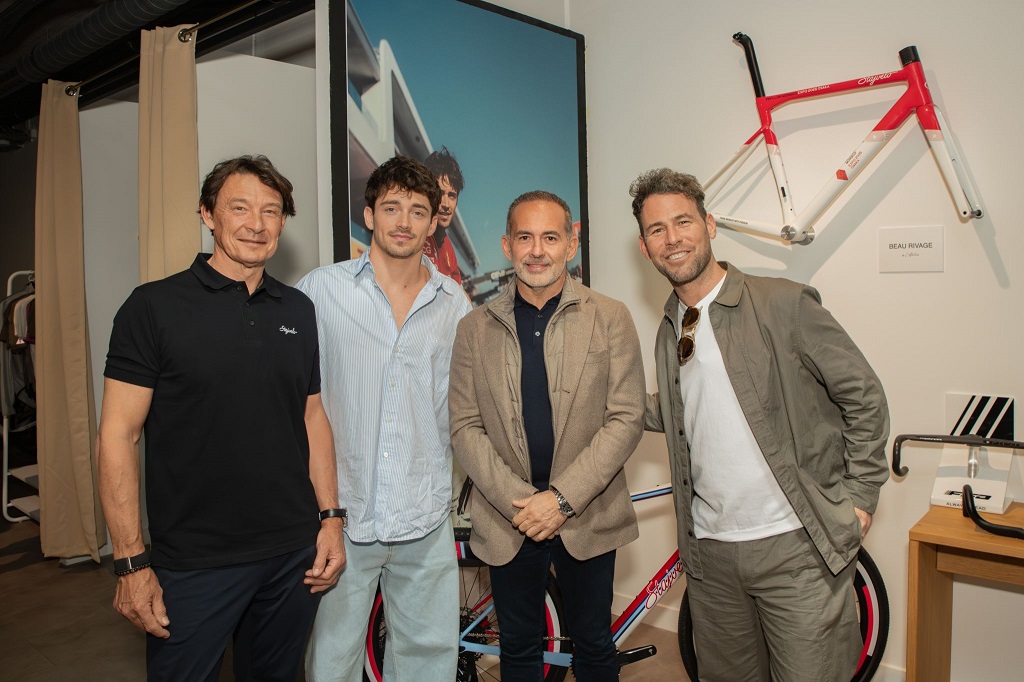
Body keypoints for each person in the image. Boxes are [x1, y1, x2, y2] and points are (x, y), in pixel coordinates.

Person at [631, 168, 890, 682]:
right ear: (645, 247)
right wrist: (600, 402)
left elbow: (864, 396)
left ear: (709, 225)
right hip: (710, 555)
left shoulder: (784, 303)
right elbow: (684, 408)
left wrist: (860, 497)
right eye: (657, 229)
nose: (672, 238)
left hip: (796, 549)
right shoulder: (670, 326)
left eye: (683, 222)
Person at [97, 155, 345, 681]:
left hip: (291, 556)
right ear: (208, 214)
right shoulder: (152, 308)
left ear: (283, 223)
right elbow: (118, 434)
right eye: (239, 208)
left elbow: (312, 416)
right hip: (194, 564)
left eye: (271, 211)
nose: (256, 224)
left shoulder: (298, 310)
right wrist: (131, 562)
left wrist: (330, 519)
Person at [449, 190, 645, 680]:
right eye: (525, 237)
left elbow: (626, 418)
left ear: (570, 245)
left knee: (594, 644)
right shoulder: (473, 329)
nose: (537, 250)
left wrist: (559, 500)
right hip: (509, 517)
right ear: (507, 246)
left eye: (550, 238)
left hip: (588, 512)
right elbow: (465, 426)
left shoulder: (611, 317)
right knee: (517, 649)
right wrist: (524, 503)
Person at [299, 156, 471, 682]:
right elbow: (296, 404)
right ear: (369, 214)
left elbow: (459, 408)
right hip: (343, 516)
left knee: (428, 661)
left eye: (418, 211)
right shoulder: (319, 291)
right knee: (332, 661)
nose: (404, 222)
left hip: (424, 515)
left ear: (432, 222)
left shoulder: (454, 304)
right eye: (391, 208)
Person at [422, 146, 464, 284]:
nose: (446, 204)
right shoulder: (413, 234)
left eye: (452, 195)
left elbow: (459, 293)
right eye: (440, 193)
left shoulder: (449, 251)